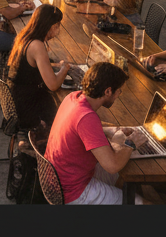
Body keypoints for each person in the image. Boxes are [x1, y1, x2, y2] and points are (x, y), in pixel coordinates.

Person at [44, 60, 147, 205]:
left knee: (124, 178)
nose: (119, 95)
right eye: (118, 91)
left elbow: (77, 129)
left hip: (58, 179)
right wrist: (131, 144)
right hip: (73, 190)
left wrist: (109, 130)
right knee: (145, 203)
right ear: (108, 91)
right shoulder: (87, 117)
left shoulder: (73, 97)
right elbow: (112, 166)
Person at [7, 3, 68, 146]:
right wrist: (64, 69)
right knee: (64, 113)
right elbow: (53, 85)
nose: (58, 29)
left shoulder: (25, 36)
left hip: (19, 97)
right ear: (50, 25)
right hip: (28, 107)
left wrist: (52, 65)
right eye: (57, 25)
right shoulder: (37, 46)